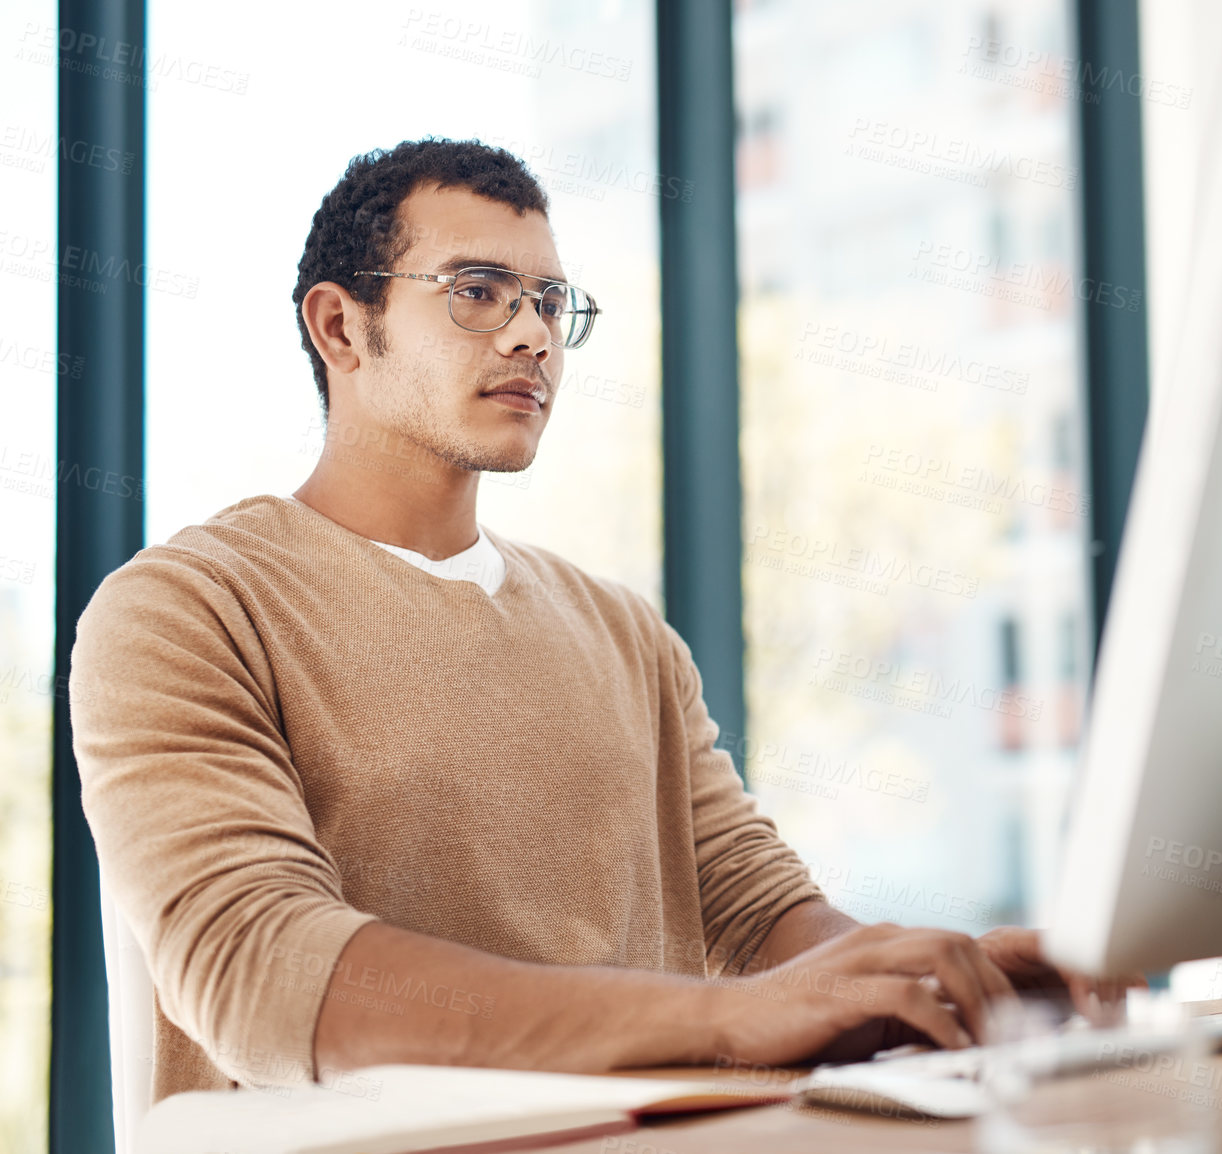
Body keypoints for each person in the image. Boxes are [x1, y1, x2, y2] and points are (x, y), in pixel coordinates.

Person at [70, 139, 1124, 1102]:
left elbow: (764, 924)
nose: (531, 334)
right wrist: (728, 1018)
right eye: (478, 293)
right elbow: (264, 978)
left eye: (548, 301)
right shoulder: (185, 609)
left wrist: (944, 983)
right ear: (341, 325)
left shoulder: (626, 634)